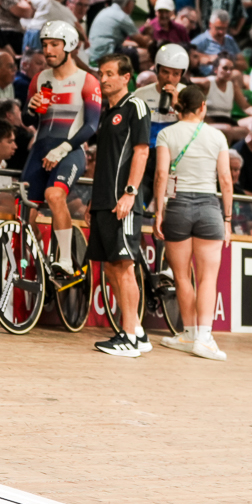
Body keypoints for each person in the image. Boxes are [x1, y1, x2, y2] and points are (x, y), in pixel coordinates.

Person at [153, 83, 233, 361]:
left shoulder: (166, 133)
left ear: (178, 107)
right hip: (210, 207)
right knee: (208, 277)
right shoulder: (217, 136)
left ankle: (187, 333)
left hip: (177, 207)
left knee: (182, 276)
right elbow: (225, 179)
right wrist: (229, 219)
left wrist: (159, 212)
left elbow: (161, 175)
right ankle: (204, 337)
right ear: (202, 107)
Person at [22, 20, 101, 283]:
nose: (48, 50)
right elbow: (29, 120)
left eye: (54, 45)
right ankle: (39, 265)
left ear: (69, 46)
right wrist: (31, 109)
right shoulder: (39, 79)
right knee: (24, 213)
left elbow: (91, 125)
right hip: (40, 150)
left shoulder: (86, 81)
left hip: (70, 150)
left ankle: (65, 260)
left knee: (54, 195)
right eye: (45, 45)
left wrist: (64, 148)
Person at [89, 52, 154, 358]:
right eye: (101, 73)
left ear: (126, 77)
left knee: (125, 266)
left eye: (110, 73)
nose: (104, 79)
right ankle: (137, 332)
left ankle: (128, 335)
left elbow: (141, 152)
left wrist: (130, 192)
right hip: (103, 201)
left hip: (123, 201)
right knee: (113, 268)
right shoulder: (107, 113)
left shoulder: (135, 106)